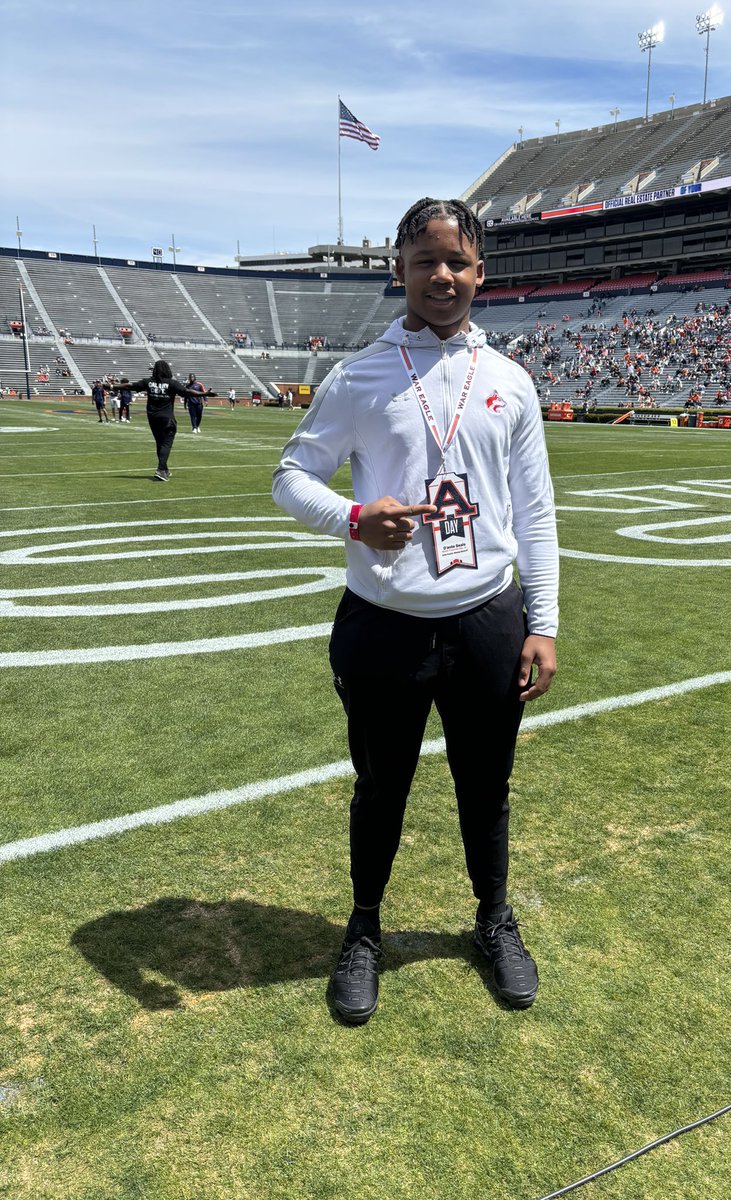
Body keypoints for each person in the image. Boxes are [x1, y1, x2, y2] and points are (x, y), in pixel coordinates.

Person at [273, 196, 559, 1024]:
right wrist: (353, 518)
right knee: (381, 785)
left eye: (458, 261)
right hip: (383, 623)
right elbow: (292, 475)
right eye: (426, 259)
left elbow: (535, 511)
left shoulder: (509, 380)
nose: (443, 275)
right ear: (397, 268)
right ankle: (363, 929)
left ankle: (492, 920)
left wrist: (542, 622)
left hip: (486, 618)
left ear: (481, 273)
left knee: (487, 786)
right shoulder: (357, 375)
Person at [113, 360, 214, 481]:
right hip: (167, 418)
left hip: (152, 417)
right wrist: (204, 394)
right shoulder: (171, 383)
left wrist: (112, 386)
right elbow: (187, 392)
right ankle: (161, 470)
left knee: (160, 443)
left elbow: (130, 386)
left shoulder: (148, 382)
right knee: (166, 443)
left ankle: (164, 469)